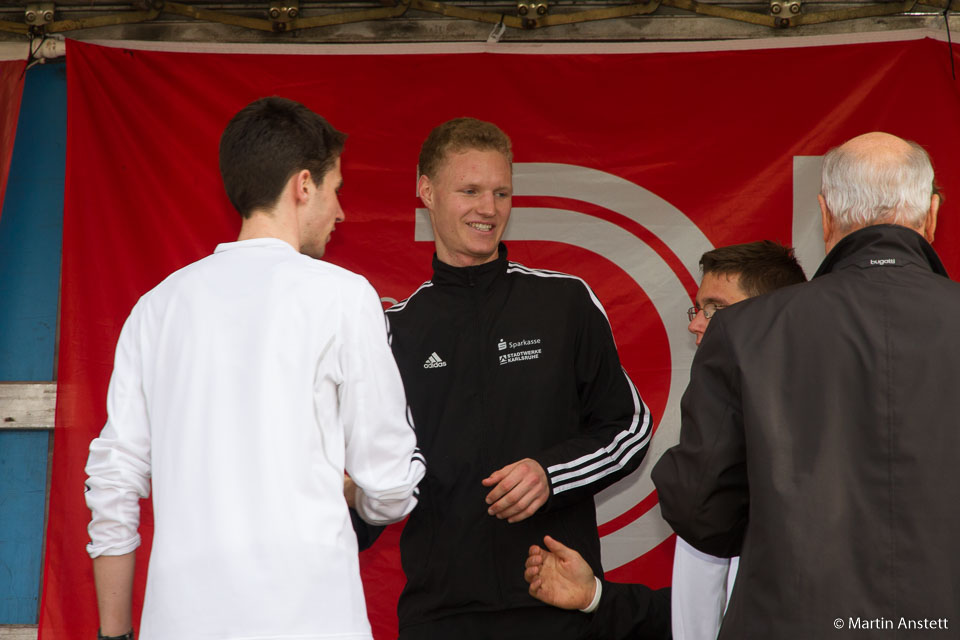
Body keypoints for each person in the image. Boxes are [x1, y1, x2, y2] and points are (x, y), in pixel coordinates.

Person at [84, 97, 426, 640]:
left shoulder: (156, 308)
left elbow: (113, 480)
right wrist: (352, 493)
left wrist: (114, 634)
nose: (341, 212)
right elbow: (389, 484)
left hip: (182, 624)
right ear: (304, 185)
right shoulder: (342, 296)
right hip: (311, 622)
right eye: (336, 189)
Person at [652, 132, 960, 638]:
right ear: (931, 214)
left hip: (792, 619)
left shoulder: (745, 331)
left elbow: (701, 509)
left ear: (826, 215)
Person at [383, 117, 653, 639]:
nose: (488, 209)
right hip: (440, 615)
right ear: (427, 192)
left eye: (501, 193)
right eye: (470, 191)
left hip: (553, 603)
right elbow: (380, 470)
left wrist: (551, 475)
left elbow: (629, 428)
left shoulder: (564, 302)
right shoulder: (397, 330)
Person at [525, 241, 806, 640]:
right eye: (698, 308)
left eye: (716, 309)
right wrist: (596, 597)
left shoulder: (816, 441)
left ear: (774, 316)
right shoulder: (737, 426)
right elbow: (705, 612)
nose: (696, 324)